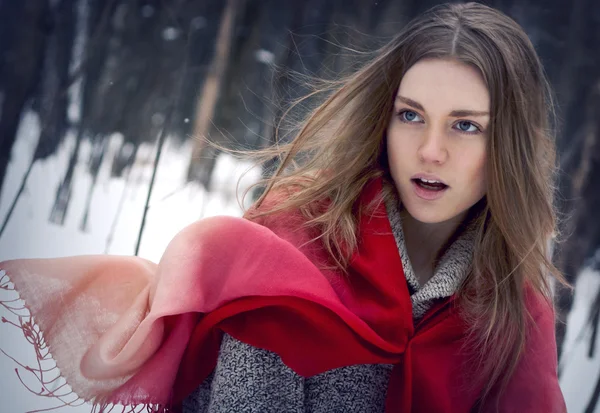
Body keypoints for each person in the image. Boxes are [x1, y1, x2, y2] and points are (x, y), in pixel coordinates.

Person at [0, 2, 566, 413]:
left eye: (465, 126)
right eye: (411, 115)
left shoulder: (517, 316)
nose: (431, 150)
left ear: (509, 145)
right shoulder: (293, 248)